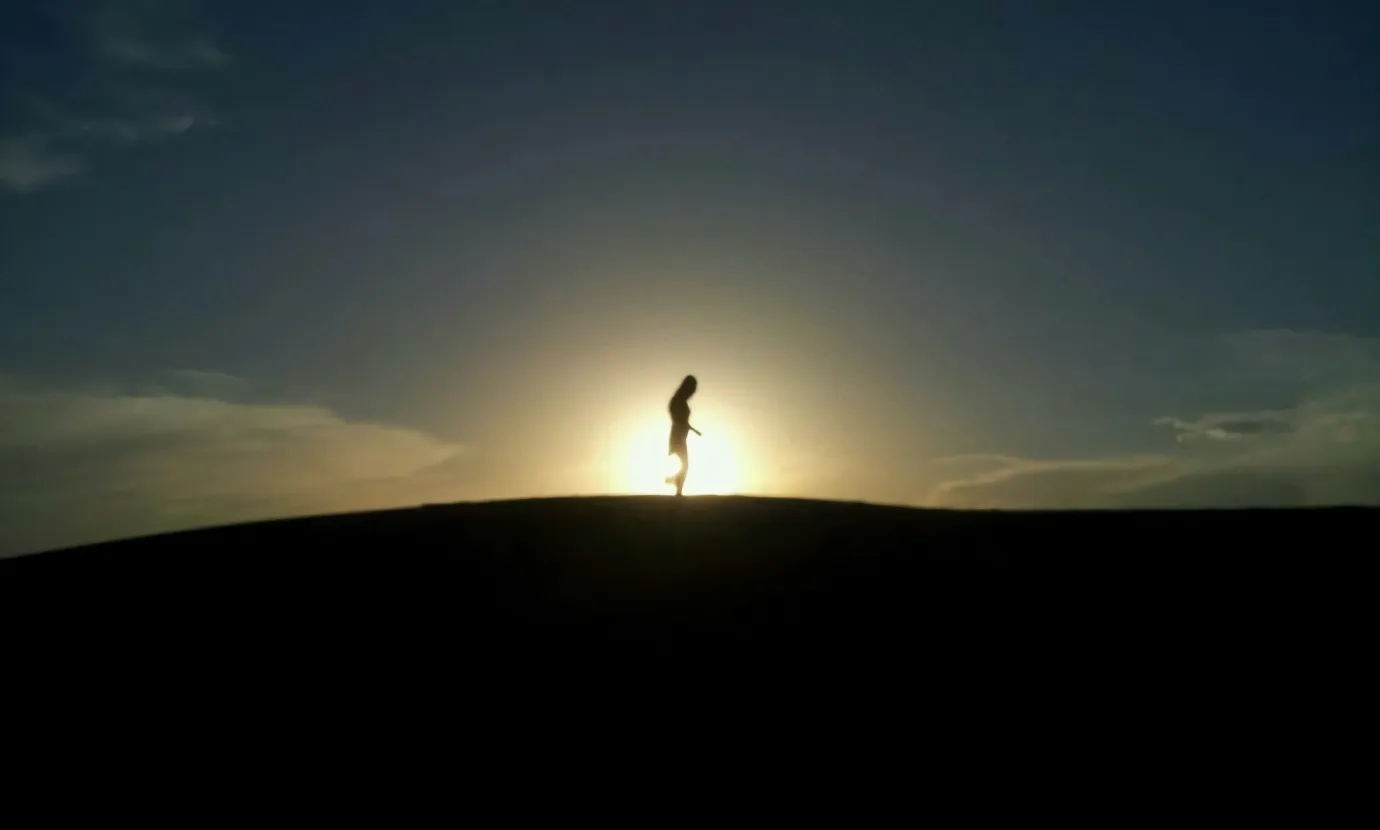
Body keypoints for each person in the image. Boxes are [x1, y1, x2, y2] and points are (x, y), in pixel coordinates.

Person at [665, 374, 701, 496]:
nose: (692, 393)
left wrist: (693, 430)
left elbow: (684, 422)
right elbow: (678, 419)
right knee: (685, 464)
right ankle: (677, 487)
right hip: (677, 437)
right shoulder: (676, 401)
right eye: (692, 390)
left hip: (681, 437)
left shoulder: (681, 401)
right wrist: (686, 426)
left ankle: (676, 483)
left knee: (685, 464)